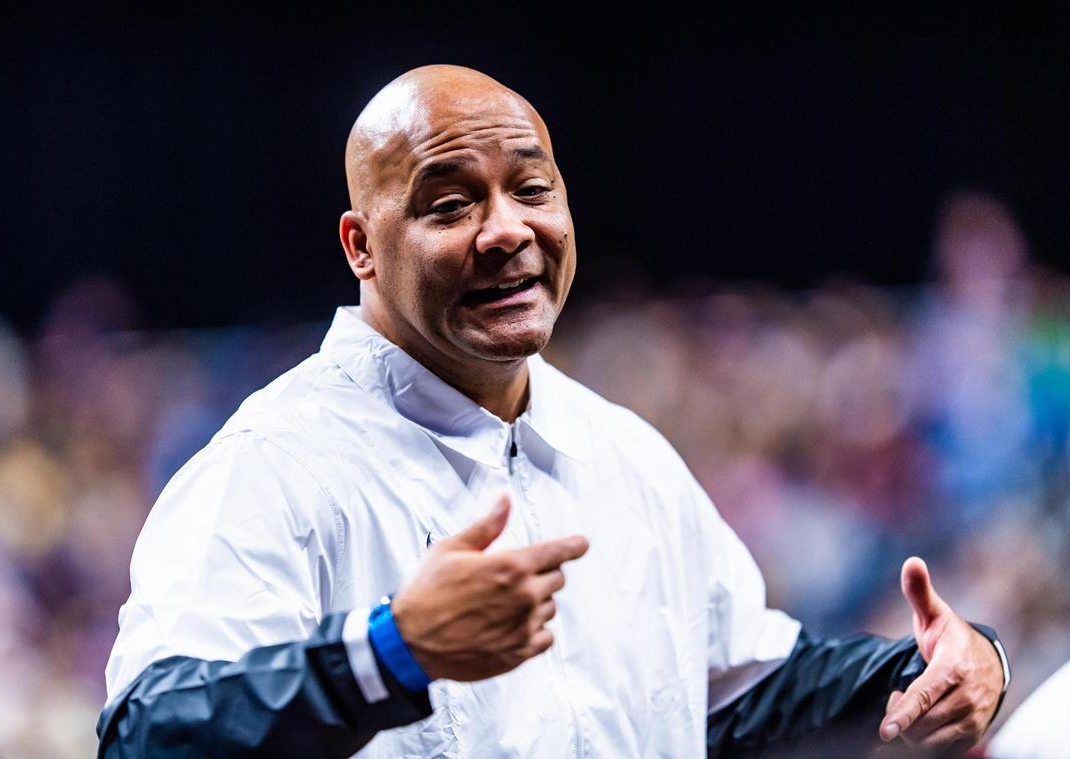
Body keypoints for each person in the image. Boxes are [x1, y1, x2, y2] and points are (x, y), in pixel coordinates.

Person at [96, 64, 1009, 757]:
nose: (507, 229)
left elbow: (738, 694)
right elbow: (144, 731)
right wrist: (390, 653)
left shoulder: (622, 453)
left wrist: (939, 668)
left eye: (531, 189)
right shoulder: (274, 464)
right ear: (362, 246)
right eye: (450, 204)